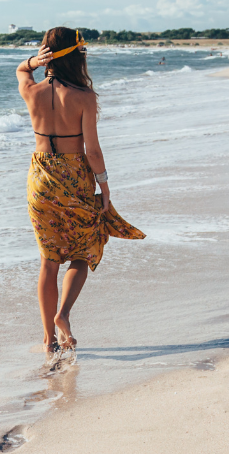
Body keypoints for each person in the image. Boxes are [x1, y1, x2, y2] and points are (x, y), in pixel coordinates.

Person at [17, 27, 146, 361]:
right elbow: (93, 152)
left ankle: (48, 341)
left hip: (41, 178)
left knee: (48, 259)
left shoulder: (31, 90)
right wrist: (105, 188)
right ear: (77, 56)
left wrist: (33, 60)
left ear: (48, 55)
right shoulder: (84, 98)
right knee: (84, 249)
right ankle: (63, 314)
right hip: (74, 177)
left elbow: (21, 70)